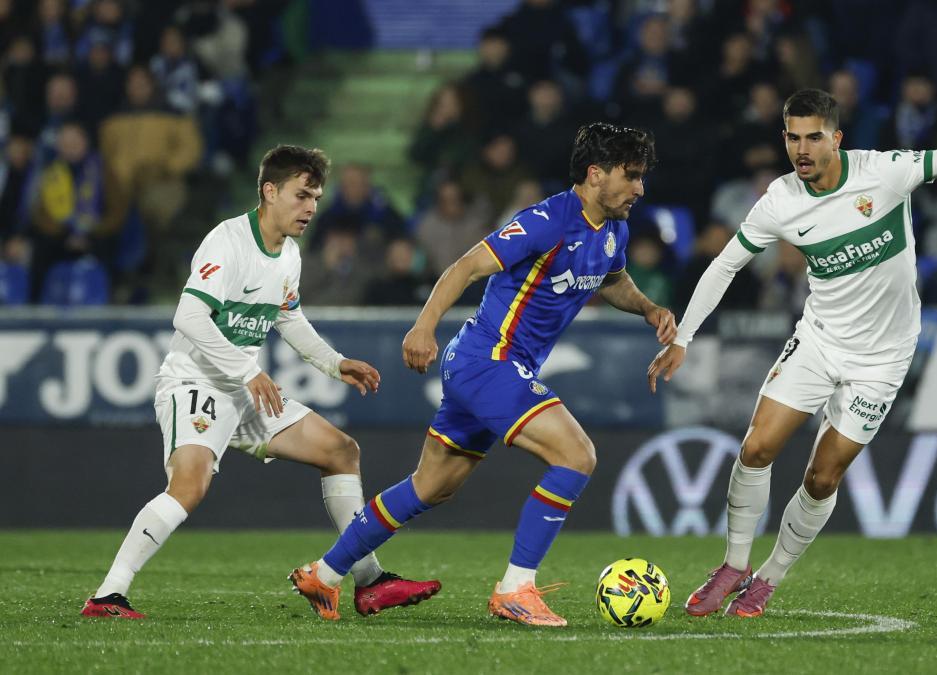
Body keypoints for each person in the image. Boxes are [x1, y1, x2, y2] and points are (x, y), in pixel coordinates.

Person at [289, 123, 676, 626]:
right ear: (595, 173)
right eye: (632, 176)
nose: (640, 189)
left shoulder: (614, 230)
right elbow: (467, 266)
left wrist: (647, 308)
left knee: (431, 487)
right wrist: (422, 327)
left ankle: (325, 572)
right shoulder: (546, 219)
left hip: (490, 368)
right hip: (487, 361)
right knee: (576, 456)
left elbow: (613, 278)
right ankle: (517, 589)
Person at [648, 89, 937, 618]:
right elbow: (725, 264)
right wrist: (684, 337)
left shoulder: (882, 173)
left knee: (823, 478)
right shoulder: (780, 200)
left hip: (884, 357)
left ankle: (769, 577)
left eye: (814, 136)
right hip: (819, 340)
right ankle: (733, 565)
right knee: (756, 449)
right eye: (793, 137)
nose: (802, 148)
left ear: (836, 138)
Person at [81, 146, 439, 620]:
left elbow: (287, 316)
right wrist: (248, 371)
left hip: (244, 390)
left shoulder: (289, 254)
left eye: (316, 197)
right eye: (301, 195)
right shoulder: (226, 241)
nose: (311, 207)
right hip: (197, 382)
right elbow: (188, 316)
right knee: (190, 485)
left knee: (341, 451)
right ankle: (109, 594)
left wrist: (334, 363)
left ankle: (369, 581)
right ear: (270, 191)